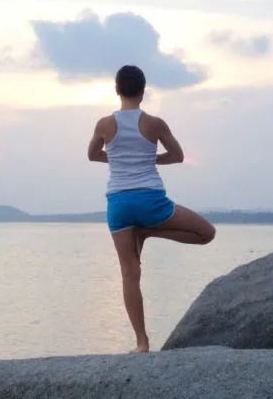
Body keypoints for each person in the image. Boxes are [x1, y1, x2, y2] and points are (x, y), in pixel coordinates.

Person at [87, 65, 216, 353]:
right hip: (152, 201)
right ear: (143, 91)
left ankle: (142, 343)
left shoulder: (104, 124)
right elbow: (178, 156)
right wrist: (149, 160)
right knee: (207, 233)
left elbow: (93, 155)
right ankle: (149, 231)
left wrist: (120, 160)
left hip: (118, 204)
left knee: (129, 273)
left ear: (117, 89)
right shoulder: (155, 123)